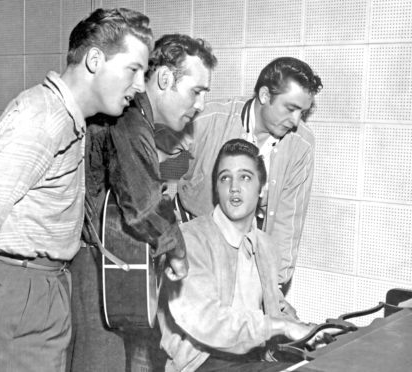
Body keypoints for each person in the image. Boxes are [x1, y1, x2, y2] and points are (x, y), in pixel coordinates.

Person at [0, 8, 153, 372]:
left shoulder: (66, 119)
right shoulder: (42, 119)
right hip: (18, 290)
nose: (141, 85)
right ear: (95, 60)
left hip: (42, 285)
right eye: (134, 69)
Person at [67, 34, 217, 371]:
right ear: (164, 79)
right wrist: (178, 252)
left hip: (103, 262)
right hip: (91, 266)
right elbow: (143, 206)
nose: (201, 106)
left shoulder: (135, 118)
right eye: (197, 91)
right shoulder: (129, 117)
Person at [158, 57, 323, 288]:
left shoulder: (301, 145)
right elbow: (148, 154)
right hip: (189, 243)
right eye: (291, 108)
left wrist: (272, 287)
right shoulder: (209, 119)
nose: (295, 121)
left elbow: (288, 224)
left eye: (302, 112)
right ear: (265, 96)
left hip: (246, 257)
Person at [158, 138, 316, 372]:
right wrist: (280, 326)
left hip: (254, 358)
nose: (234, 187)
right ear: (217, 188)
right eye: (225, 178)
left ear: (262, 190)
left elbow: (276, 308)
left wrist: (312, 331)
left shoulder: (265, 245)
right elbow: (208, 322)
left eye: (245, 177)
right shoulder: (188, 240)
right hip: (200, 363)